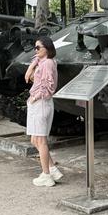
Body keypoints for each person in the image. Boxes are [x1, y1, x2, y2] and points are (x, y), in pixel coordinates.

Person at [24, 37, 62, 187]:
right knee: (35, 140)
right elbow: (37, 59)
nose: (35, 50)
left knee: (41, 141)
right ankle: (52, 169)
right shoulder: (44, 61)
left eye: (38, 47)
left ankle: (46, 175)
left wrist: (34, 98)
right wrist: (31, 66)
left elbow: (48, 87)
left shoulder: (47, 63)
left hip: (40, 103)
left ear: (47, 48)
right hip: (38, 104)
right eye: (35, 47)